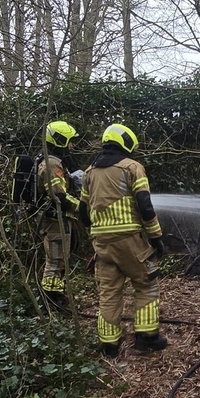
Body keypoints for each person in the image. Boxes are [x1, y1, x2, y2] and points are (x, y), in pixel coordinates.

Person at [80, 123, 167, 357]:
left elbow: (82, 211)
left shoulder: (89, 172)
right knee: (146, 284)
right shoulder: (132, 167)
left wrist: (100, 229)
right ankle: (147, 338)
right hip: (130, 241)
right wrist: (156, 237)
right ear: (125, 142)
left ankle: (110, 346)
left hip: (102, 244)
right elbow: (145, 206)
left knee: (109, 292)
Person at [38, 120, 81, 314]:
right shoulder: (51, 163)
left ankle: (57, 297)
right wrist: (83, 207)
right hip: (54, 221)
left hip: (58, 220)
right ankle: (50, 302)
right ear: (60, 140)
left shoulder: (54, 161)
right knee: (55, 262)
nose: (72, 145)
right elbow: (59, 196)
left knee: (60, 260)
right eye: (70, 141)